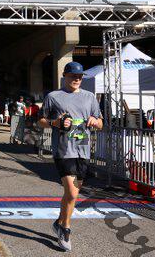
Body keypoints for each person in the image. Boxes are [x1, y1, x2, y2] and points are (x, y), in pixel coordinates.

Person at [38, 61, 103, 252]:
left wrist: (95, 121)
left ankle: (59, 222)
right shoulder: (53, 97)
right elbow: (40, 121)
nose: (77, 79)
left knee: (71, 195)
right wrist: (55, 123)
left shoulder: (89, 97)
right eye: (73, 76)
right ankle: (65, 229)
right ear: (64, 76)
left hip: (83, 149)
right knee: (72, 193)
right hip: (63, 150)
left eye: (80, 76)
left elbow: (100, 123)